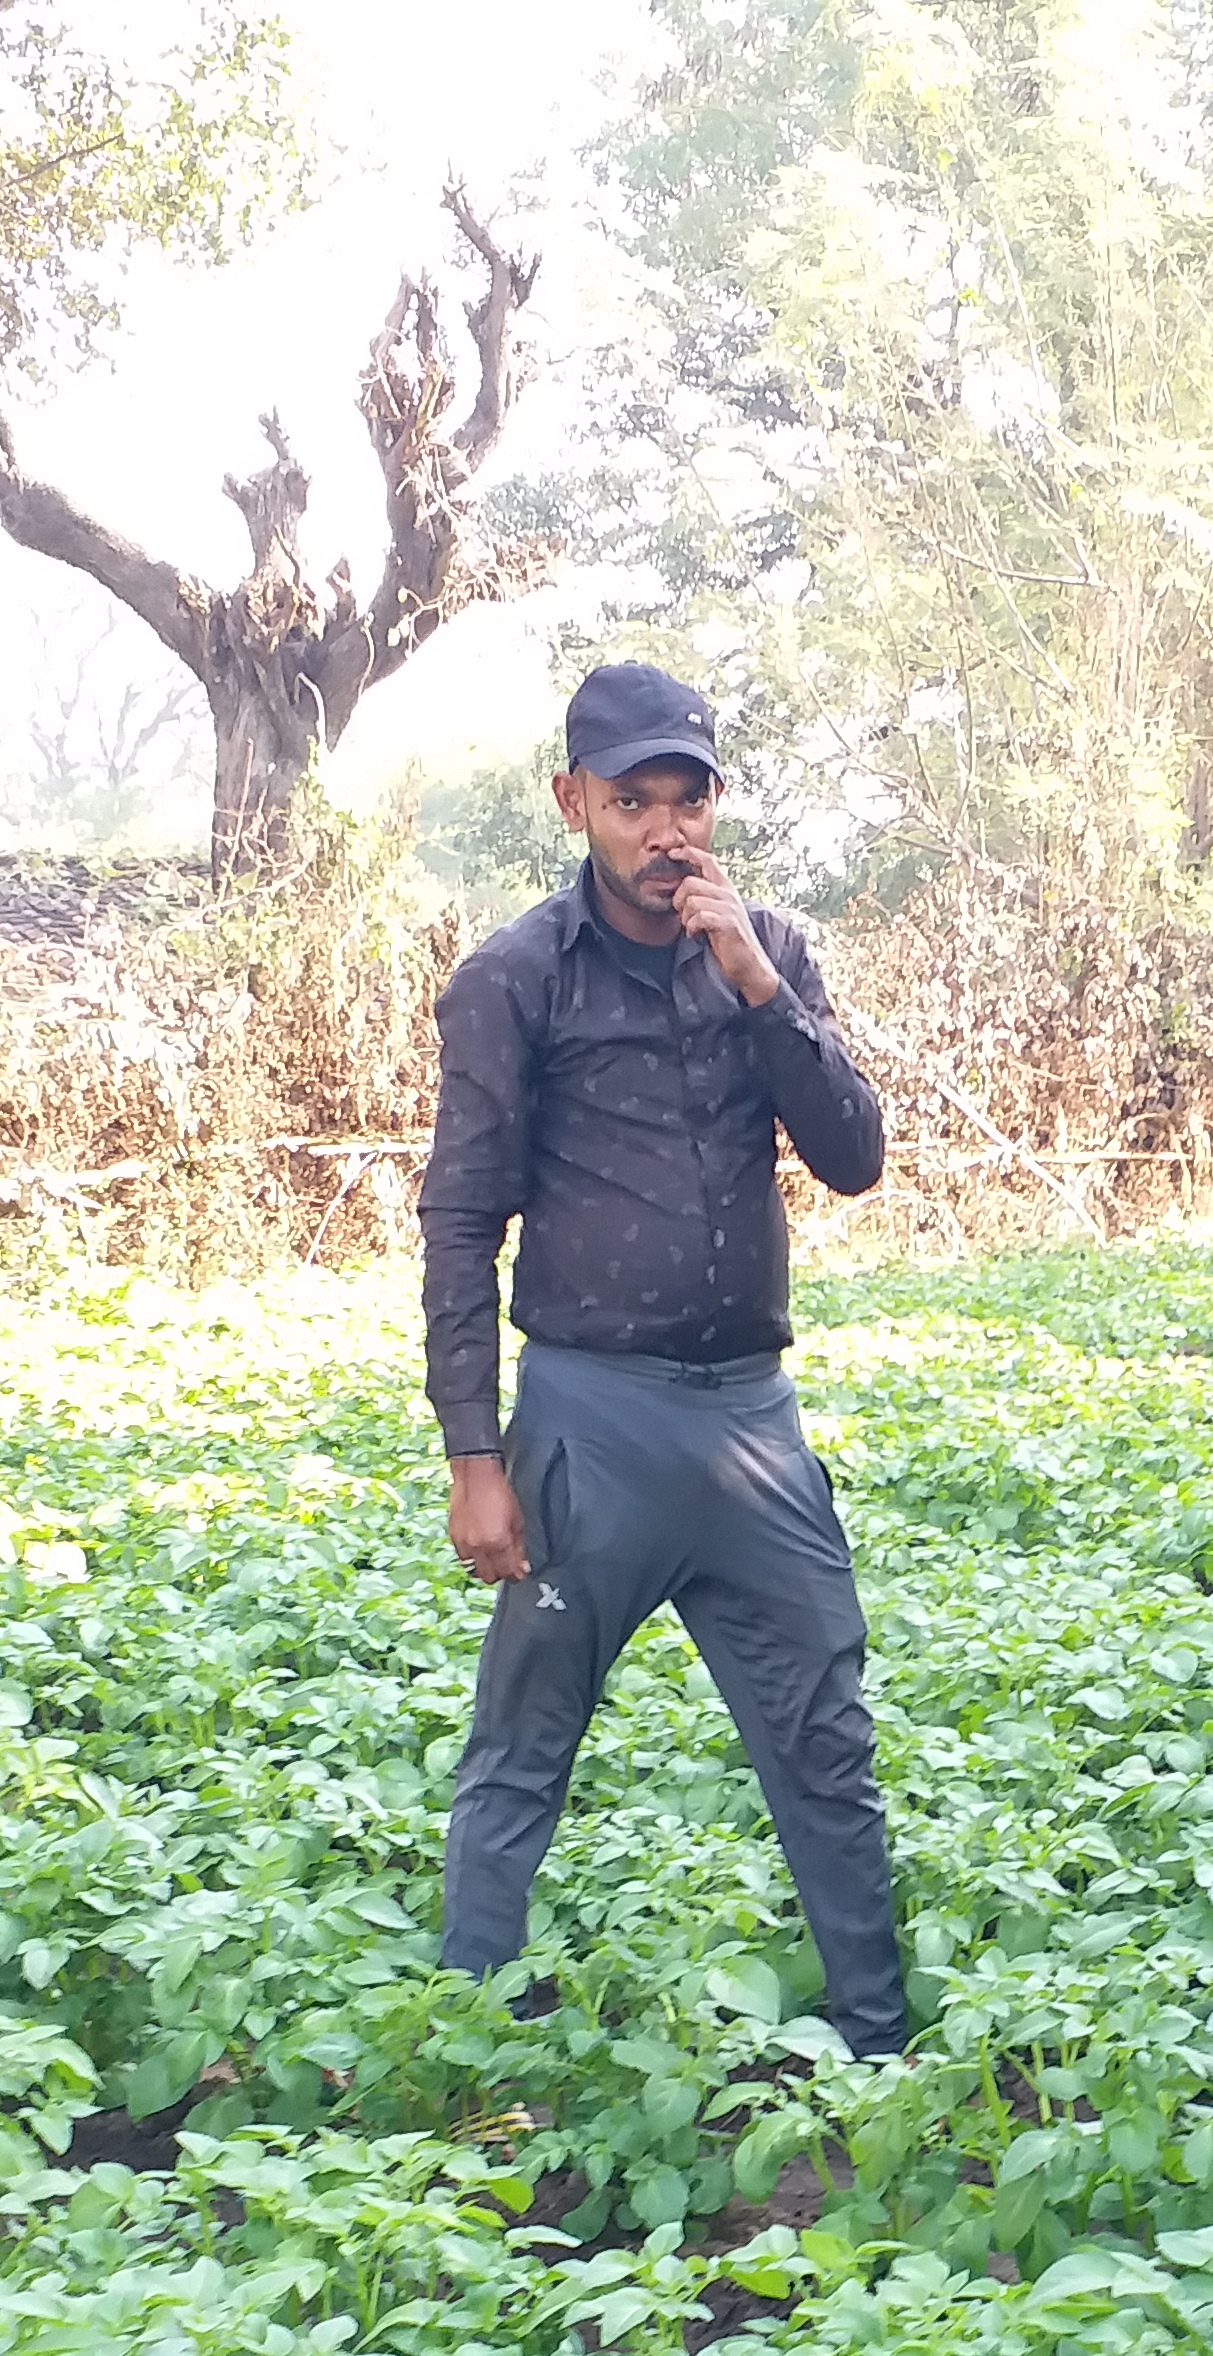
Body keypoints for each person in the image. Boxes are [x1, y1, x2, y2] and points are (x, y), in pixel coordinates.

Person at [417, 662, 910, 2056]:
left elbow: (855, 1160)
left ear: (715, 804)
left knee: (826, 1742)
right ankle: (463, 2057)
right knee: (522, 1745)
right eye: (629, 801)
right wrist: (474, 1455)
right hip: (590, 1426)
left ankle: (880, 2050)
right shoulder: (515, 979)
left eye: (684, 797)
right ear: (574, 803)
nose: (662, 830)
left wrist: (757, 983)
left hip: (754, 1427)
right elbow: (460, 1224)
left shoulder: (772, 956)